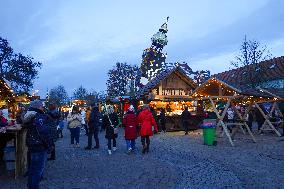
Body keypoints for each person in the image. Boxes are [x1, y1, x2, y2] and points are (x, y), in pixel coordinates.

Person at [23, 100, 52, 189]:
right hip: (39, 145)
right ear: (38, 107)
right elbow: (44, 133)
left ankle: (30, 185)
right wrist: (50, 145)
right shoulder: (39, 116)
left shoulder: (28, 115)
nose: (43, 107)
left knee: (32, 168)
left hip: (32, 144)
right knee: (37, 170)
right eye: (42, 106)